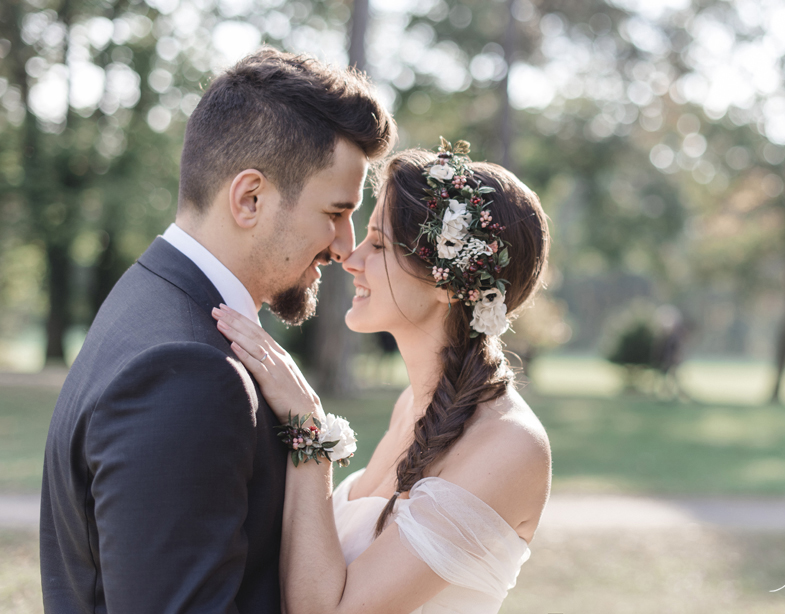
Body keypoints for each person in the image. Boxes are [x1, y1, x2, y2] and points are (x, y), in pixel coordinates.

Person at [39, 48, 395, 613]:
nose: (344, 247)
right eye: (334, 213)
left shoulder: (146, 296)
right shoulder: (188, 373)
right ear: (249, 198)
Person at [211, 140, 552, 613]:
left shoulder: (509, 447)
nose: (351, 259)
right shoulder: (410, 406)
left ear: (447, 283)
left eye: (379, 243)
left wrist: (310, 431)